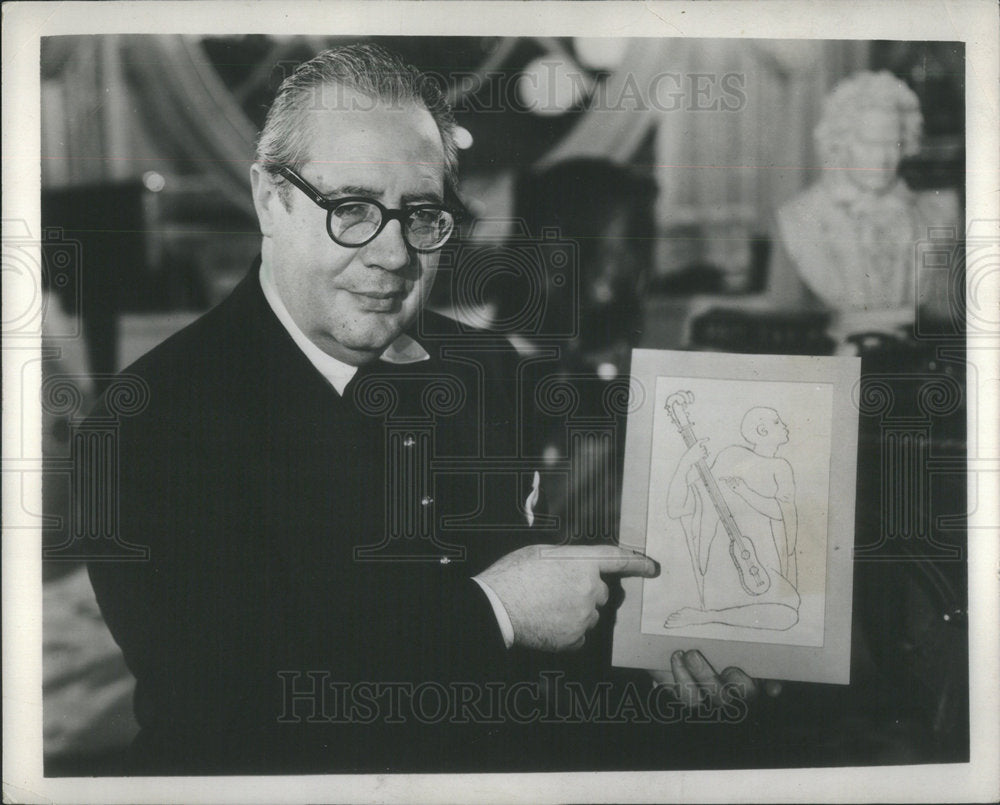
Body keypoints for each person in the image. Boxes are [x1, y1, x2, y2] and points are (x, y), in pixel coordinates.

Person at [85, 44, 762, 774]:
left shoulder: (485, 367)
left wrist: (653, 663)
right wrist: (495, 611)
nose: (392, 254)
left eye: (421, 215)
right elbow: (237, 709)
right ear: (268, 199)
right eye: (350, 209)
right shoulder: (145, 424)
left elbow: (531, 642)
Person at [772, 70, 959, 342]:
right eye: (869, 143)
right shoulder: (801, 217)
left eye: (893, 144)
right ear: (840, 141)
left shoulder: (934, 213)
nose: (882, 159)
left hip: (910, 350)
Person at [664, 406, 799, 631]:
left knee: (789, 614)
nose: (784, 425)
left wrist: (745, 491)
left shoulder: (781, 466)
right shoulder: (731, 457)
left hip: (765, 559)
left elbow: (782, 512)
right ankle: (707, 615)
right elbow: (677, 507)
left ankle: (707, 617)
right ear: (762, 430)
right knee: (785, 614)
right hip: (728, 560)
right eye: (777, 422)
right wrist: (686, 463)